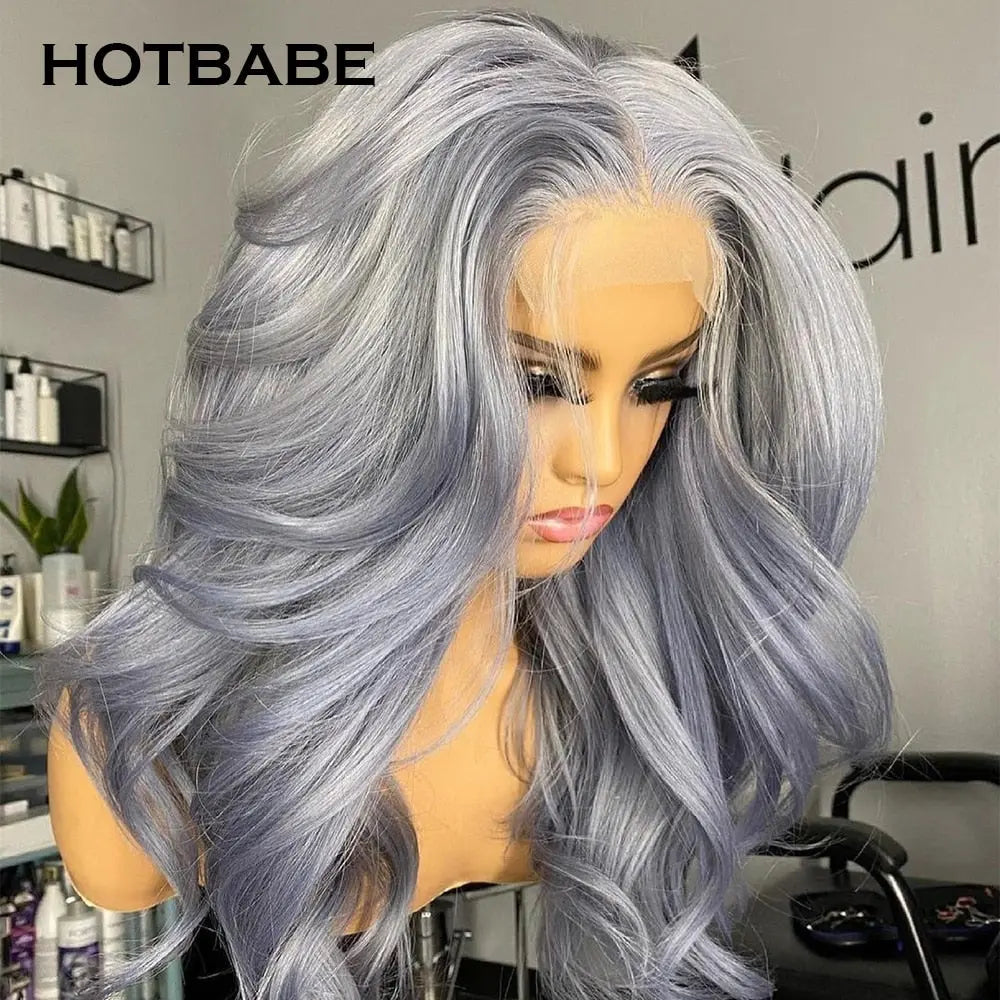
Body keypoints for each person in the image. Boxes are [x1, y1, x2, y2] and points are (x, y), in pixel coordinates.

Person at [37, 9, 894, 1000]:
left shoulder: (627, 704)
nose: (602, 462)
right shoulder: (133, 743)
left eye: (658, 385)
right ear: (358, 367)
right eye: (536, 380)